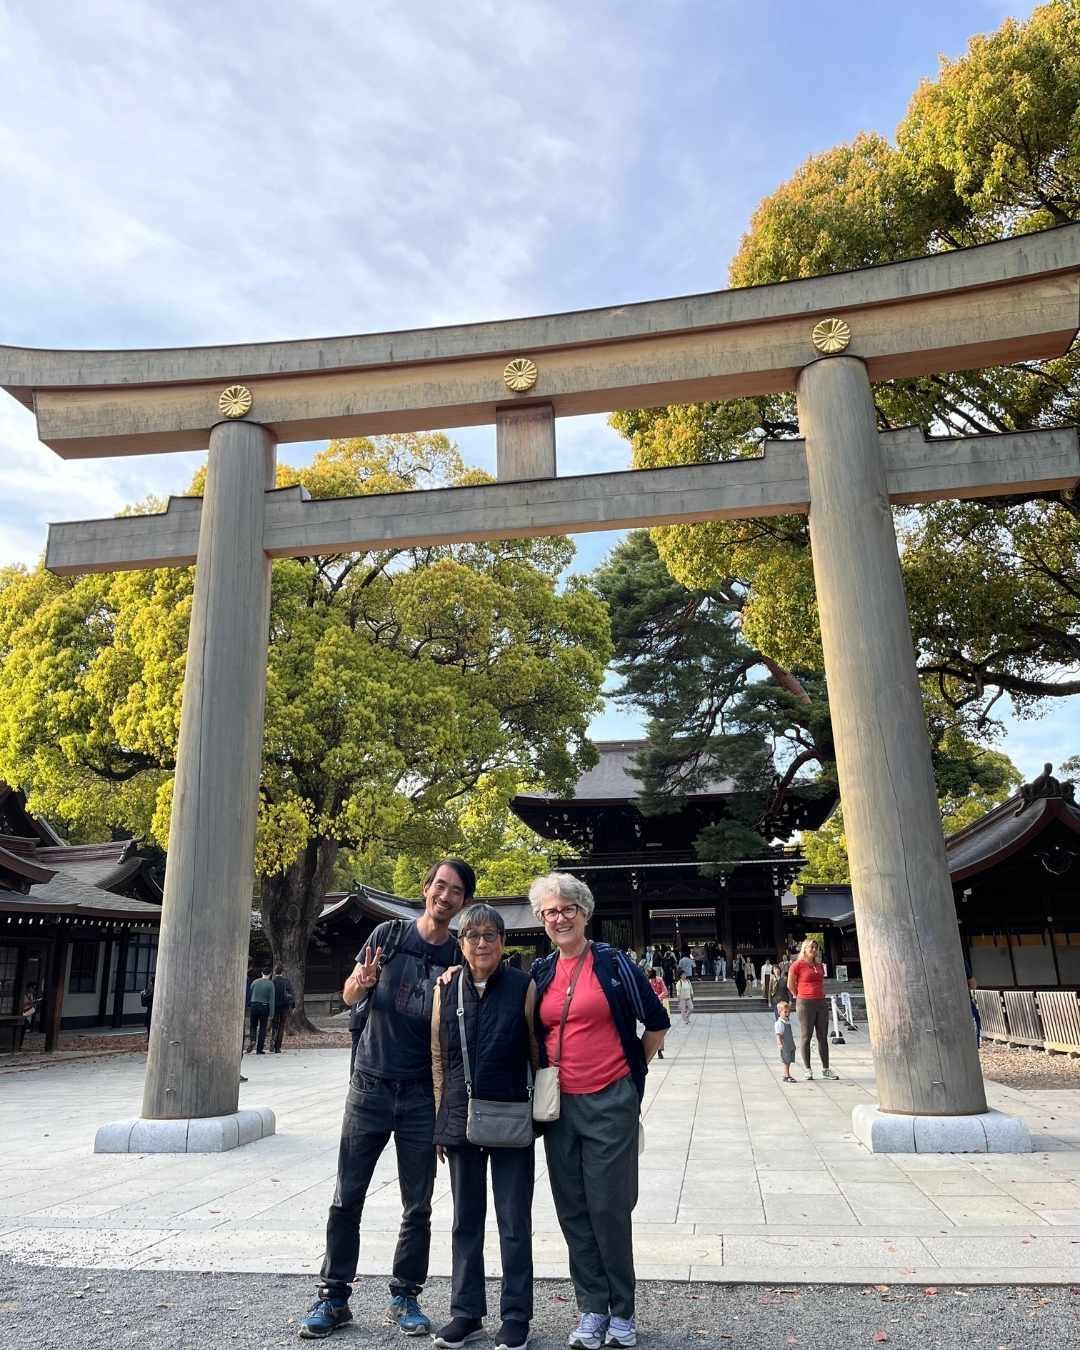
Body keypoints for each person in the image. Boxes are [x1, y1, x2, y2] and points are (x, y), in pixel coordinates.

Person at [299, 858, 473, 1341]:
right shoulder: (389, 936)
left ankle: (406, 1294)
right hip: (370, 1086)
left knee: (417, 1204)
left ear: (464, 902)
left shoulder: (458, 956)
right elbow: (350, 993)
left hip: (422, 1095)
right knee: (346, 1197)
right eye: (440, 885)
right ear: (426, 888)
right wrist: (363, 983)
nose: (445, 895)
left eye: (456, 891)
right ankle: (333, 1295)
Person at [529, 873, 668, 1350]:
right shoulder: (542, 970)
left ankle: (621, 1310)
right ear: (541, 920)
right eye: (550, 911)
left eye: (568, 908)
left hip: (610, 1098)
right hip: (558, 1106)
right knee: (573, 1208)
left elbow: (656, 1022)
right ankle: (591, 1307)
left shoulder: (613, 963)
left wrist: (629, 1075)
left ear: (585, 912)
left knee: (609, 1207)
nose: (560, 917)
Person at [430, 903, 536, 1350]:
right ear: (461, 944)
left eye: (490, 935)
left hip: (511, 1114)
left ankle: (516, 1316)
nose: (481, 943)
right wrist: (441, 1116)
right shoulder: (446, 988)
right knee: (464, 1220)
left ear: (503, 942)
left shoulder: (523, 986)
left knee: (513, 1221)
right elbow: (437, 1055)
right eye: (472, 936)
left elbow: (536, 1051)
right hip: (459, 1118)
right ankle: (466, 1312)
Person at [787, 938, 837, 1081]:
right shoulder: (797, 965)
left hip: (820, 1001)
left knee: (822, 1037)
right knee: (806, 1036)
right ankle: (808, 1069)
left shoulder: (820, 965)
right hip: (805, 1002)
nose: (814, 950)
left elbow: (821, 982)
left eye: (816, 948)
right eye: (811, 948)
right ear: (805, 949)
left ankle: (826, 1069)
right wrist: (799, 995)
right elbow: (790, 985)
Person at [247, 967, 275, 1055]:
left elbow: (250, 993)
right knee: (263, 1028)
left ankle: (252, 1039)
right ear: (270, 974)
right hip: (264, 1006)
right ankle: (259, 1049)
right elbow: (272, 1000)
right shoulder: (270, 984)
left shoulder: (255, 982)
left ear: (262, 973)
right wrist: (271, 1013)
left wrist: (250, 1004)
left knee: (253, 1025)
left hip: (254, 1005)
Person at [271, 963, 296, 1053]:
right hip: (284, 1006)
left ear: (274, 971)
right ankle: (278, 1047)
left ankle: (272, 1043)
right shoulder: (287, 981)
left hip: (274, 1006)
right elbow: (291, 994)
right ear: (283, 972)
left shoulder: (272, 981)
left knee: (274, 1025)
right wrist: (293, 1006)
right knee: (281, 1026)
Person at [647, 969, 668, 1058]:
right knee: (651, 1028)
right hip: (651, 1007)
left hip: (660, 1005)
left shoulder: (659, 980)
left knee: (661, 1027)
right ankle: (651, 1049)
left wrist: (658, 997)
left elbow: (665, 991)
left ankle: (659, 1050)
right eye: (650, 979)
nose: (652, 980)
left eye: (652, 978)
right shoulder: (647, 982)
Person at [775, 1000, 797, 1084]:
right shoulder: (779, 1023)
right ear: (779, 1012)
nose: (787, 1013)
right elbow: (778, 1035)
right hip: (785, 1045)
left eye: (788, 1012)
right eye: (785, 1012)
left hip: (789, 1044)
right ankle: (786, 1075)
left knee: (789, 1060)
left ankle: (787, 1074)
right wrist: (779, 1044)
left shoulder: (787, 1022)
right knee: (786, 1060)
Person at [140, 974, 155, 1044]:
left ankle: (149, 1038)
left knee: (150, 1024)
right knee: (150, 1024)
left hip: (151, 1009)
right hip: (153, 1009)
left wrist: (143, 994)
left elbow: (147, 998)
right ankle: (149, 1038)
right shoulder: (153, 988)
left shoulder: (152, 989)